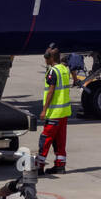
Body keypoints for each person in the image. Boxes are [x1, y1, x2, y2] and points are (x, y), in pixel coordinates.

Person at [36, 45, 71, 174]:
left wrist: (44, 110)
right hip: (64, 112)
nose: (44, 59)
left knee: (45, 140)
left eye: (46, 57)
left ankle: (39, 167)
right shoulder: (63, 69)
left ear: (50, 58)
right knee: (60, 140)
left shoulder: (53, 72)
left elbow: (51, 92)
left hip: (54, 113)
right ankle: (60, 165)